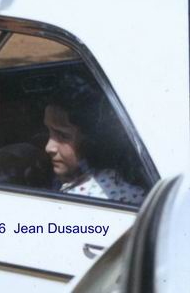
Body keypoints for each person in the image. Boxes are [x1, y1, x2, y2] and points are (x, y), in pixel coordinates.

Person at [42, 75, 145, 204]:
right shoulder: (124, 175)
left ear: (92, 141)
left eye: (63, 136)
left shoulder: (81, 197)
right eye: (48, 131)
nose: (48, 147)